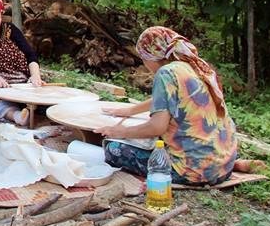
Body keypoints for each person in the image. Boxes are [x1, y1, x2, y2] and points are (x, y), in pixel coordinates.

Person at [97, 26, 238, 185]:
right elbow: (171, 99)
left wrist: (120, 131)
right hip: (223, 167)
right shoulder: (192, 67)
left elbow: (157, 127)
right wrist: (129, 110)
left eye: (143, 57)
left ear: (151, 55)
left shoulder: (166, 73)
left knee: (113, 149)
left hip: (191, 171)